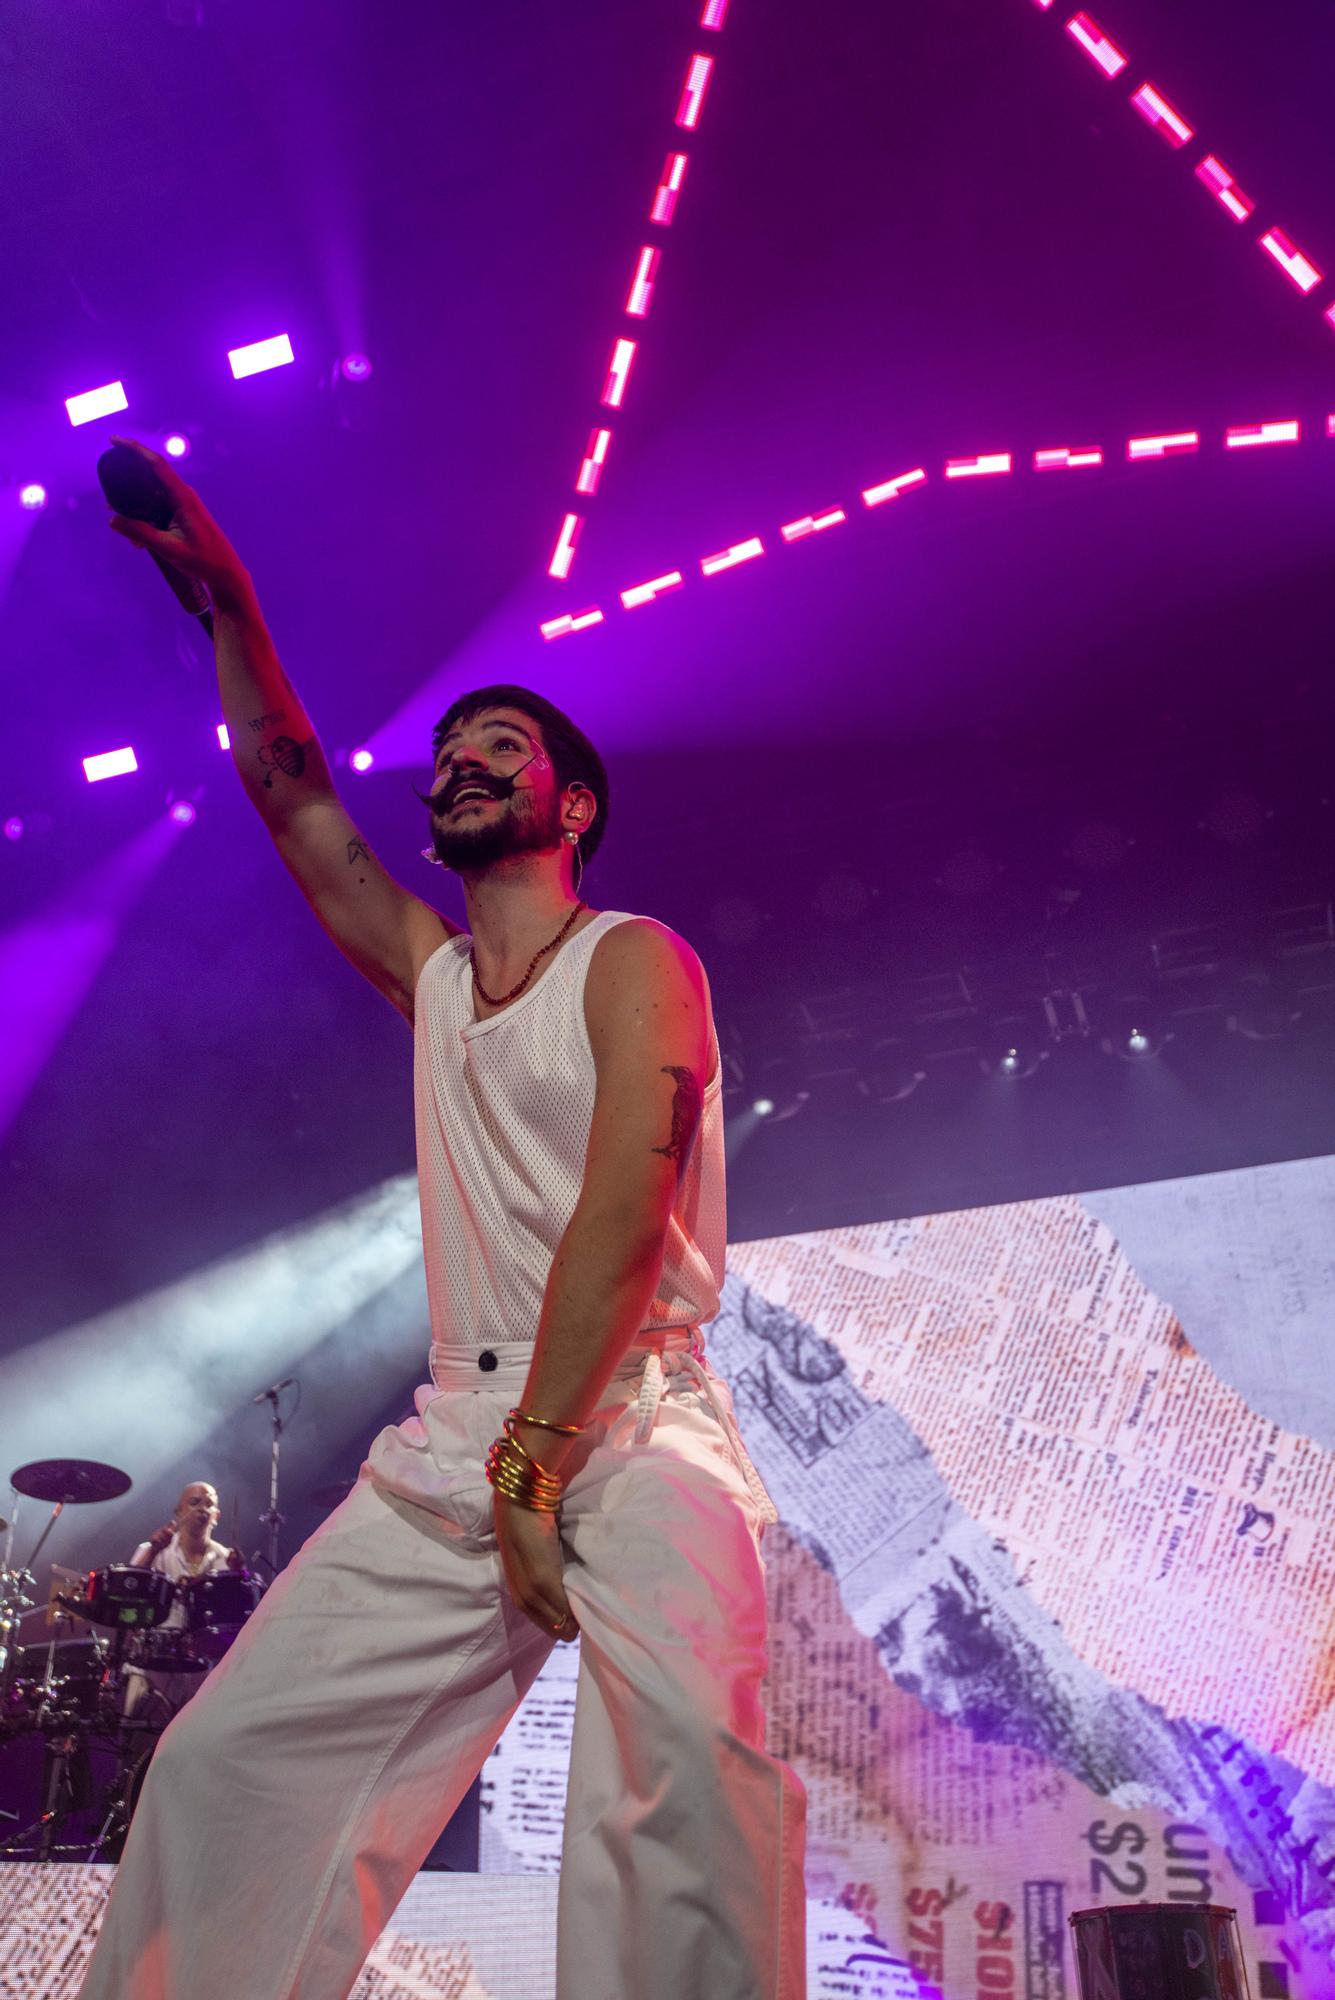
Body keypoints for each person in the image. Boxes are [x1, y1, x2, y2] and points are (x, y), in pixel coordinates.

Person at [79, 440, 807, 2000]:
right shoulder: (431, 980)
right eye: (454, 746)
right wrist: (229, 608)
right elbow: (293, 794)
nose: (464, 758)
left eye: (504, 743)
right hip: (456, 1450)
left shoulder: (635, 958)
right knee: (226, 1771)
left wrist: (540, 1462)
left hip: (625, 1428)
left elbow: (624, 1199)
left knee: (680, 1770)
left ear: (572, 800)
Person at [122, 1482, 245, 1720]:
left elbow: (238, 1614)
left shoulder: (225, 1559)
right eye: (195, 1502)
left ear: (216, 1516)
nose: (202, 1508)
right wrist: (153, 1551)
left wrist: (240, 1574)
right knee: (138, 1745)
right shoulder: (154, 1549)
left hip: (201, 1669)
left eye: (209, 1504)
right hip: (152, 1664)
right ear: (179, 1512)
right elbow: (128, 1586)